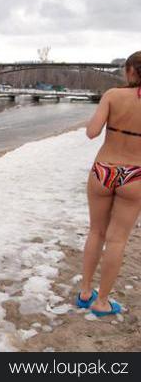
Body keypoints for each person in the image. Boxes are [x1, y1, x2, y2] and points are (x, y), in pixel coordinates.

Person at [78, 51, 141, 316]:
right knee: (117, 241)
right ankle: (102, 302)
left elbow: (92, 132)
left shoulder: (113, 95)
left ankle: (85, 292)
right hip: (135, 175)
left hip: (104, 170)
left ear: (130, 71)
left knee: (96, 232)